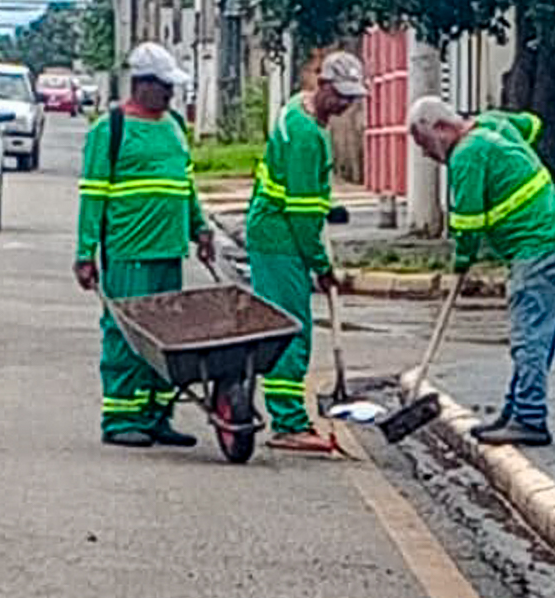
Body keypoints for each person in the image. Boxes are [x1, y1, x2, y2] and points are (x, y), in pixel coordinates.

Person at [408, 97, 555, 448]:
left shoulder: (467, 155)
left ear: (442, 128)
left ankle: (529, 418)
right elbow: (531, 124)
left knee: (528, 339)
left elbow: (467, 223)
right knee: (534, 337)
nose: (427, 156)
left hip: (537, 251)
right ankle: (515, 409)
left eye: (425, 145)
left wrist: (461, 263)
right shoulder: (492, 124)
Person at [74, 43, 215, 449]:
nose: (170, 95)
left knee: (165, 334)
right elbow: (93, 195)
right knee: (126, 332)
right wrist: (85, 253)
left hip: (170, 249)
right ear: (142, 84)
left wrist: (200, 228)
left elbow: (184, 183)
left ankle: (157, 415)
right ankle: (121, 417)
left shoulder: (173, 125)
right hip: (129, 250)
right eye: (164, 87)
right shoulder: (110, 129)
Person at [245, 52, 368, 455]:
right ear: (323, 84)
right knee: (291, 330)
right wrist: (321, 265)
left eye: (352, 97)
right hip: (281, 239)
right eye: (342, 95)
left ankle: (290, 416)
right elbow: (300, 213)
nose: (346, 105)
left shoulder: (299, 111)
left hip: (276, 233)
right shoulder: (306, 135)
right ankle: (289, 423)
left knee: (287, 326)